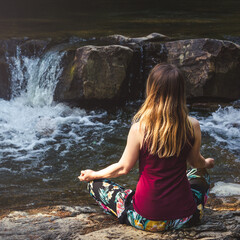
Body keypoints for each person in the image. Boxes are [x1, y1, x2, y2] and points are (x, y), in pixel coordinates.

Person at [78, 63, 214, 232]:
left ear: (152, 90)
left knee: (94, 184)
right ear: (180, 92)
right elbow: (196, 163)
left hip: (145, 218)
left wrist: (94, 174)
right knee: (201, 174)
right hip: (185, 218)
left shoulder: (139, 128)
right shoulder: (192, 125)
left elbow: (123, 168)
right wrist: (207, 162)